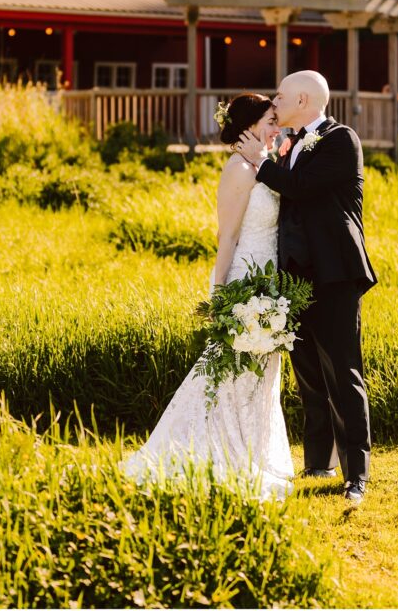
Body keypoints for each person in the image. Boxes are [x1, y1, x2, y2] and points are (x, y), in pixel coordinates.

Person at [121, 93, 294, 501]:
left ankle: (254, 452)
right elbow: (226, 236)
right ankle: (216, 450)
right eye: (271, 121)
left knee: (260, 373)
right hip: (245, 281)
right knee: (230, 372)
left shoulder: (263, 165)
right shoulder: (239, 169)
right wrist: (220, 295)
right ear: (250, 125)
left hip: (270, 280)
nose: (277, 128)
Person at [236, 70, 376, 506]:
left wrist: (261, 163)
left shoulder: (341, 139)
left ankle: (357, 474)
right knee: (309, 373)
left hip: (334, 273)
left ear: (302, 100)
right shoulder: (288, 144)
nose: (274, 102)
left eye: (280, 96)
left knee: (343, 372)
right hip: (293, 277)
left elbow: (302, 187)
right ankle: (318, 462)